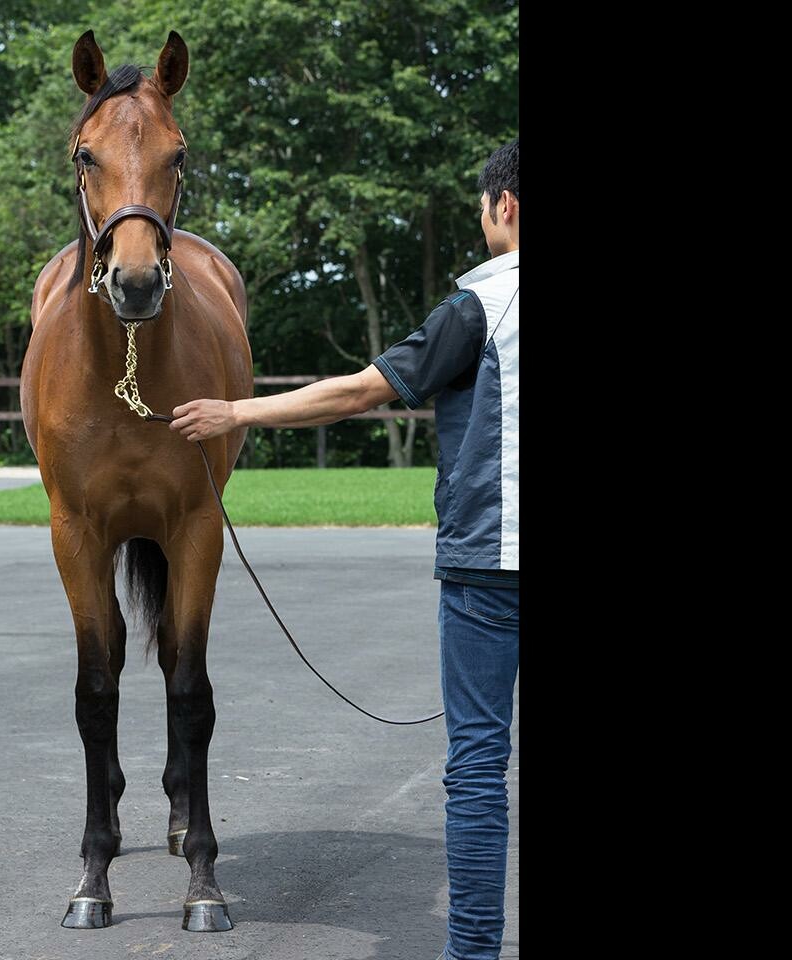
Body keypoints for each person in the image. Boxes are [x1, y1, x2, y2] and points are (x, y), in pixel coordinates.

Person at [168, 139, 519, 960]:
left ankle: (470, 953)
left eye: (483, 207)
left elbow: (363, 390)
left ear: (506, 206)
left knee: (477, 767)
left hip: (486, 570)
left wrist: (236, 413)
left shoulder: (482, 304)